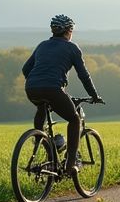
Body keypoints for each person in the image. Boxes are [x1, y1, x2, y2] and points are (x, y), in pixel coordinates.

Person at [22, 14, 102, 176]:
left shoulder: (42, 45)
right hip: (53, 89)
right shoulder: (72, 48)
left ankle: (42, 141)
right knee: (74, 119)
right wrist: (94, 95)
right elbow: (83, 75)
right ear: (69, 31)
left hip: (31, 88)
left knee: (41, 107)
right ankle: (69, 165)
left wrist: (38, 82)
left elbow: (25, 69)